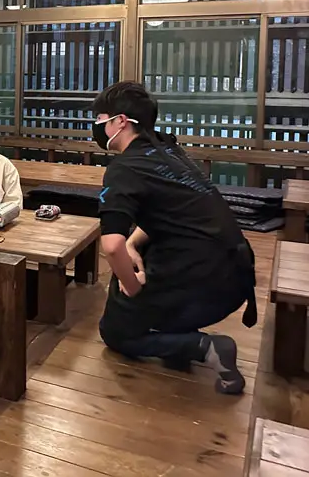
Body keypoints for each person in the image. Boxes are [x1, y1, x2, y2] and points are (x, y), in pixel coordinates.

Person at [91, 81, 256, 395]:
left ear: (120, 122)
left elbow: (110, 246)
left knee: (115, 332)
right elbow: (172, 213)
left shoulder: (125, 168)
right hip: (236, 272)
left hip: (208, 282)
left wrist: (132, 283)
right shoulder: (168, 151)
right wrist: (133, 242)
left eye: (101, 119)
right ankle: (172, 323)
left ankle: (205, 347)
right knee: (133, 259)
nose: (97, 127)